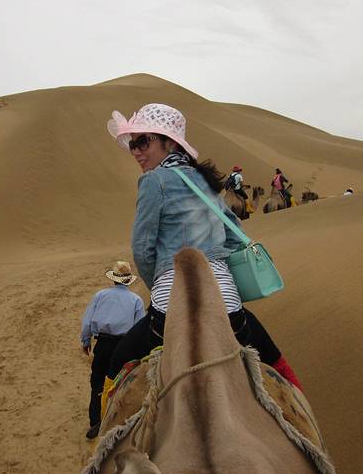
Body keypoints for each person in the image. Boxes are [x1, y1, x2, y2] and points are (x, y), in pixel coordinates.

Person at [103, 103, 302, 411]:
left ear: (170, 143)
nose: (136, 151)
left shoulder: (153, 181)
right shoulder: (204, 182)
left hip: (168, 313)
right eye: (132, 144)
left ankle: (106, 431)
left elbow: (142, 249)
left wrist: (158, 287)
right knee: (278, 364)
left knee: (116, 362)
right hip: (228, 311)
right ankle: (302, 415)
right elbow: (234, 235)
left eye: (143, 141)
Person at [80, 260, 144, 439]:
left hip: (103, 344)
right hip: (124, 345)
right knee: (120, 382)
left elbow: (87, 321)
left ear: (114, 279)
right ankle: (114, 420)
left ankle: (96, 421)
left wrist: (86, 341)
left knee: (98, 381)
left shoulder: (100, 295)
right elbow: (139, 328)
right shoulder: (136, 300)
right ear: (128, 279)